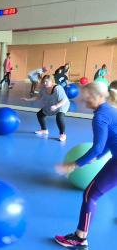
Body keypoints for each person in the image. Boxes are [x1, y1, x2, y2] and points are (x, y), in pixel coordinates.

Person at [54, 81, 117, 249]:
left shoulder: (100, 116)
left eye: (87, 96)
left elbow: (97, 147)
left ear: (98, 96)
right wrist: (100, 156)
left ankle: (80, 238)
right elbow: (110, 140)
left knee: (90, 195)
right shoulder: (111, 110)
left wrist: (73, 165)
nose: (84, 100)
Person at [23, 75, 70, 142]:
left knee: (59, 117)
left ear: (52, 81)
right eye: (43, 82)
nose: (45, 83)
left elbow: (64, 100)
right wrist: (28, 99)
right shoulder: (43, 88)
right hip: (52, 103)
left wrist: (56, 106)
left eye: (47, 82)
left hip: (62, 104)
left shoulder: (58, 88)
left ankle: (62, 134)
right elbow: (38, 97)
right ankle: (44, 130)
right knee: (40, 114)